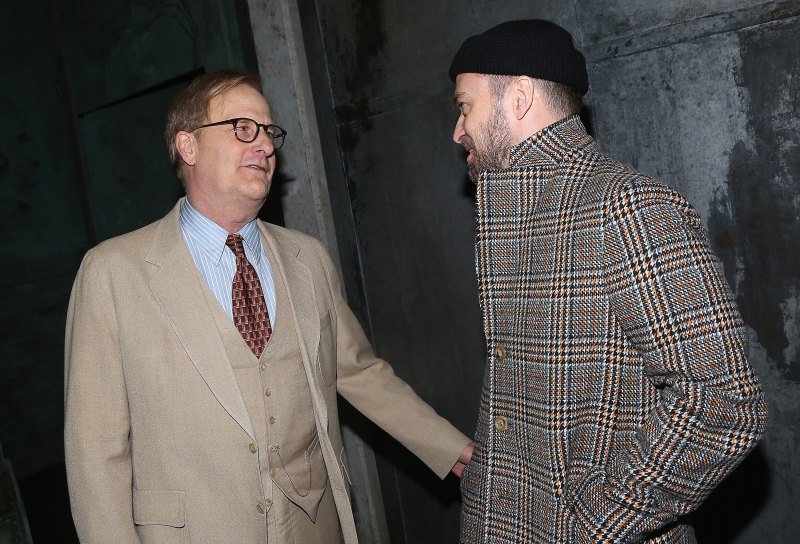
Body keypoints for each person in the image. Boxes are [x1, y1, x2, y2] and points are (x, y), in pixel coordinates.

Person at [64, 70, 473, 544]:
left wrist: (451, 448)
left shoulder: (307, 258)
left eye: (270, 132)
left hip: (314, 527)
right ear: (188, 146)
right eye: (243, 128)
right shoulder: (113, 272)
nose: (264, 145)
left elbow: (359, 372)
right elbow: (95, 453)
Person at [449, 19, 767, 543]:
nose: (457, 130)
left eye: (466, 106)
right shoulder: (515, 209)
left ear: (520, 97)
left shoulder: (627, 208)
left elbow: (725, 405)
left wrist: (596, 522)